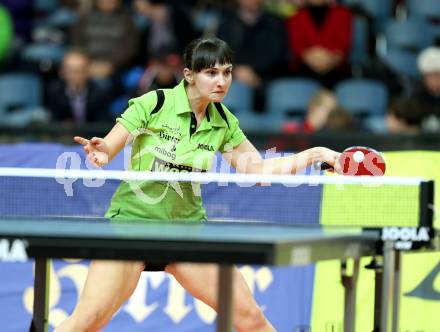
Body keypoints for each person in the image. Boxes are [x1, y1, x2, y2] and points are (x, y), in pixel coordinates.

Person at [55, 37, 341, 332]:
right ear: (189, 74)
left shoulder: (224, 122)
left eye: (227, 72)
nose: (222, 81)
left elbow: (257, 170)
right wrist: (101, 152)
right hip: (131, 227)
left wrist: (316, 154)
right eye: (211, 73)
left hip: (187, 232)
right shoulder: (154, 104)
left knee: (252, 321)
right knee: (87, 321)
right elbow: (110, 146)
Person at [286, 0, 353, 88]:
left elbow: (343, 45)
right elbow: (297, 47)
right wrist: (313, 60)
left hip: (335, 69)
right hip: (305, 69)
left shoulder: (343, 14)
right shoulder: (295, 16)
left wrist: (330, 60)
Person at [45, 49, 111, 123]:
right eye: (70, 71)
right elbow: (53, 119)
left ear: (88, 71)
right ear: (62, 71)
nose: (74, 75)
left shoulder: (100, 93)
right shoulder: (54, 91)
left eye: (79, 71)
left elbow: (103, 123)